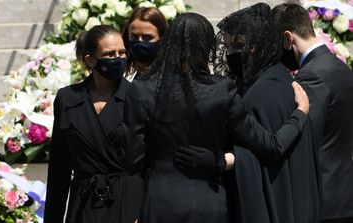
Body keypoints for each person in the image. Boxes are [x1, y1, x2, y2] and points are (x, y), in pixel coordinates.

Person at [124, 12, 310, 223]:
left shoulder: (140, 90)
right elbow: (271, 146)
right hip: (210, 202)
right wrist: (300, 115)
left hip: (161, 201)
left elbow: (133, 160)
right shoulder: (222, 90)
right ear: (207, 47)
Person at [214, 3, 319, 223]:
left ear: (255, 45)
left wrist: (230, 160)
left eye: (235, 46)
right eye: (228, 46)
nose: (230, 54)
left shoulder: (262, 92)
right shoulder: (278, 77)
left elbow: (269, 153)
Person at [44, 25, 144, 223]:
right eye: (109, 54)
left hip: (128, 203)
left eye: (122, 52)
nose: (119, 58)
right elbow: (59, 167)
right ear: (90, 59)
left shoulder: (139, 95)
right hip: (84, 203)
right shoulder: (68, 98)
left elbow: (151, 161)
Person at [272, 4, 353, 223]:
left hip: (323, 199)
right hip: (343, 195)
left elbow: (304, 138)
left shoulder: (311, 76)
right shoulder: (340, 68)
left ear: (287, 38)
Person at [122, 7, 168, 81]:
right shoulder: (122, 75)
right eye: (134, 37)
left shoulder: (168, 80)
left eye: (147, 38)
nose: (140, 41)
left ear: (162, 39)